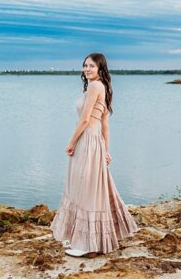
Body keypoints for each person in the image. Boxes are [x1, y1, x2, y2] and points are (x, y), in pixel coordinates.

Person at [51, 52, 139, 256]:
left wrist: (71, 142)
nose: (87, 69)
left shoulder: (94, 86)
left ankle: (86, 244)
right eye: (85, 65)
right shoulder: (104, 87)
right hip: (95, 142)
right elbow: (105, 124)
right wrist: (106, 150)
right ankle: (88, 240)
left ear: (100, 68)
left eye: (91, 66)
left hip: (87, 142)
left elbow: (84, 120)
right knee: (93, 187)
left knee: (84, 188)